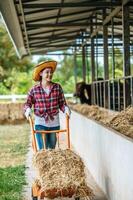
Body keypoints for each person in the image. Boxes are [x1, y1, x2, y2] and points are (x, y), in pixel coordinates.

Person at [24, 60, 71, 150]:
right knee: (43, 151)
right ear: (41, 73)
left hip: (54, 124)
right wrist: (27, 110)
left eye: (51, 72)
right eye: (47, 72)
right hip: (40, 123)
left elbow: (61, 103)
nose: (50, 74)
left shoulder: (57, 87)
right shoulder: (34, 89)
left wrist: (65, 109)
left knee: (52, 150)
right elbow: (28, 103)